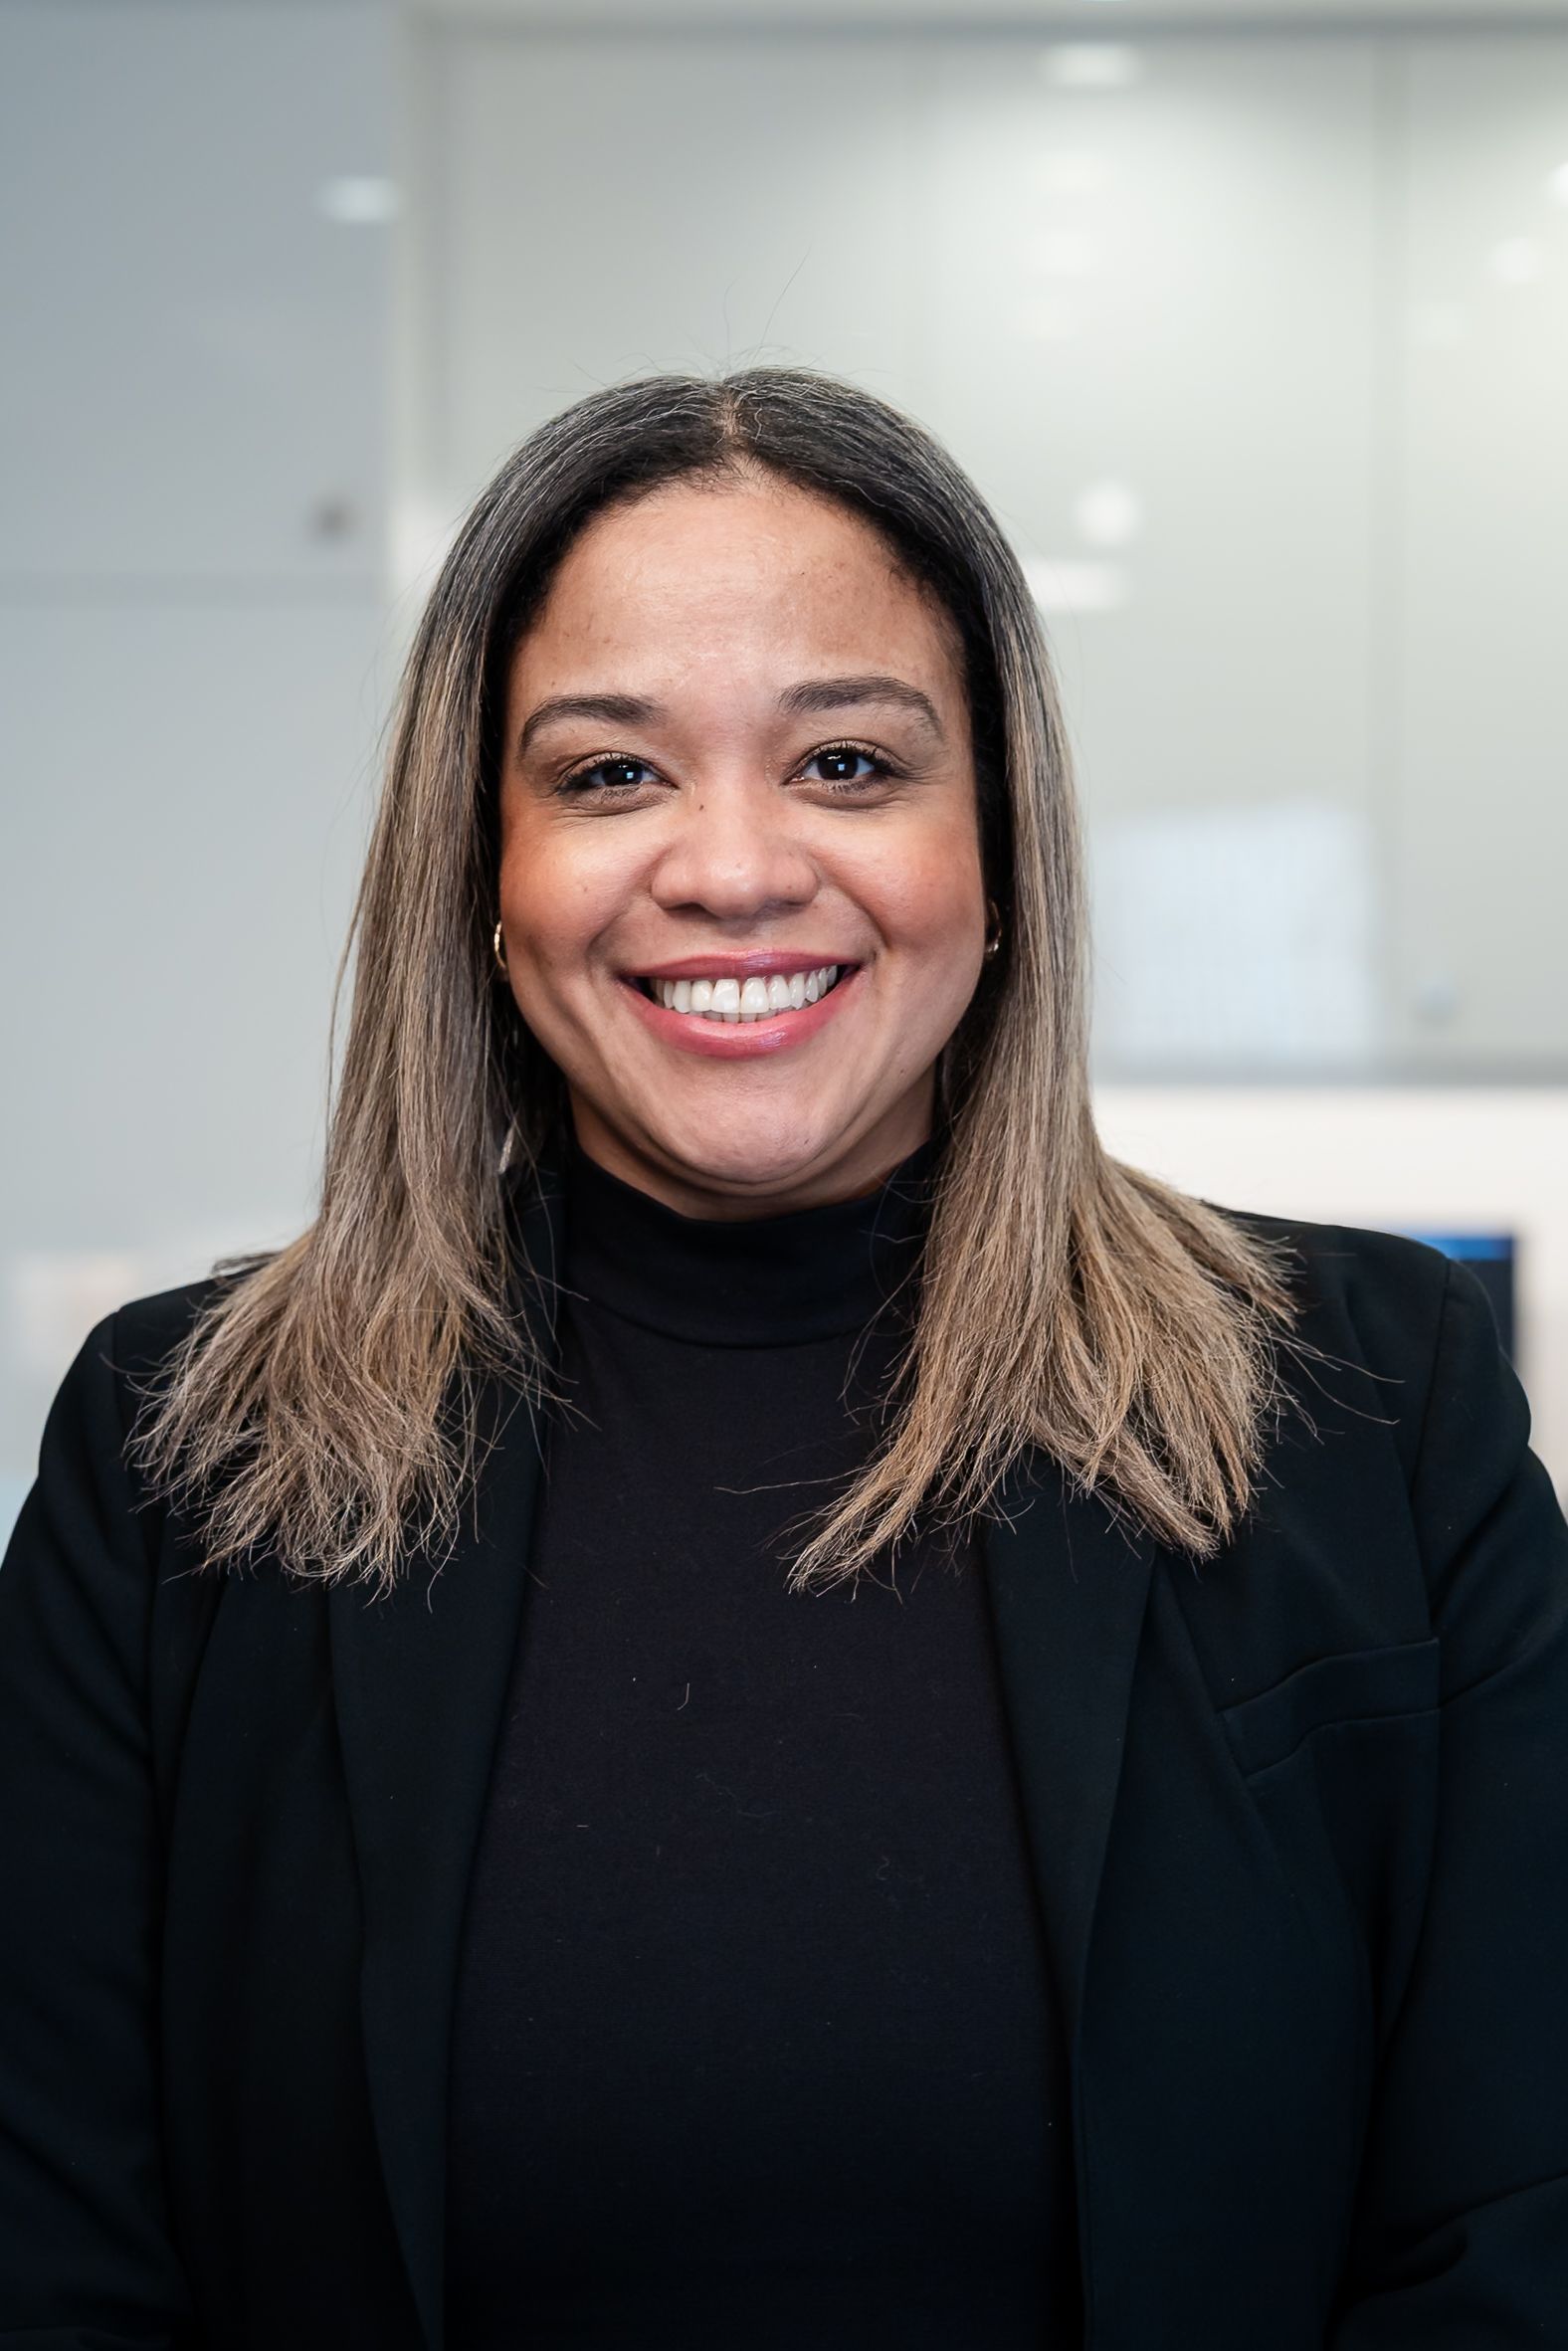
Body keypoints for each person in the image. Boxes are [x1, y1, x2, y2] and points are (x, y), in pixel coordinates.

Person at [2, 367, 1565, 2351]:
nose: (731, 867)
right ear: (481, 875)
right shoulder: (175, 1461)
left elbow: (1511, 2232)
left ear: (994, 848)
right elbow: (55, 2263)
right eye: (606, 774)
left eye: (844, 765)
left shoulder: (1369, 1408)